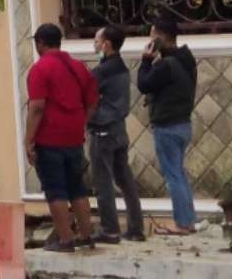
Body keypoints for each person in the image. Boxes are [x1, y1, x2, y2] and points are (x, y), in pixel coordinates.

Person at [24, 22, 98, 251]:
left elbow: (36, 107)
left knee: (55, 189)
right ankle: (87, 236)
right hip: (74, 138)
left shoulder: (40, 69)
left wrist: (28, 140)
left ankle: (66, 240)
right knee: (77, 188)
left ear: (40, 44)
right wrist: (79, 123)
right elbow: (93, 102)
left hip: (49, 139)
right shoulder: (79, 67)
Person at [138, 14, 199, 235]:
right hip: (183, 124)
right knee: (179, 174)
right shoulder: (186, 59)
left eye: (152, 34)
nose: (150, 38)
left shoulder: (166, 65)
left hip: (167, 126)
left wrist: (145, 60)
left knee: (173, 175)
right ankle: (188, 221)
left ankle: (182, 224)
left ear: (161, 36)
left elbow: (144, 85)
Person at [87, 25, 145, 243]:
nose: (94, 44)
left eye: (96, 40)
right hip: (119, 129)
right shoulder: (121, 67)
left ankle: (110, 229)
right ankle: (136, 227)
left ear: (106, 44)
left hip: (102, 131)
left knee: (102, 181)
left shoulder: (101, 71)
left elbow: (87, 96)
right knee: (125, 180)